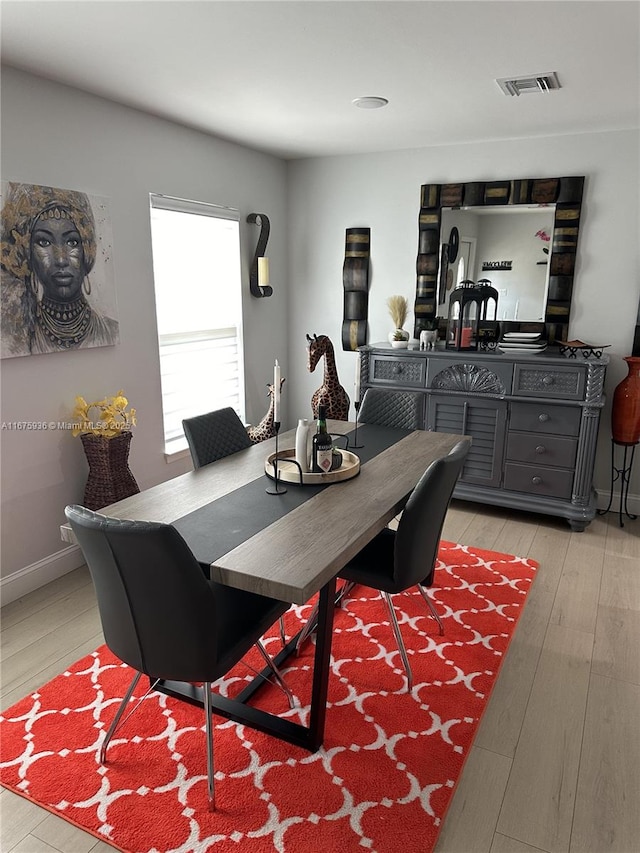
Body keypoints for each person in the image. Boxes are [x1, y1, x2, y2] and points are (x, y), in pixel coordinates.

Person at [1, 182, 119, 358]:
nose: (61, 259)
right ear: (26, 253)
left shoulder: (112, 331)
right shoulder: (14, 340)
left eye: (72, 242)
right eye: (44, 242)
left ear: (86, 250)